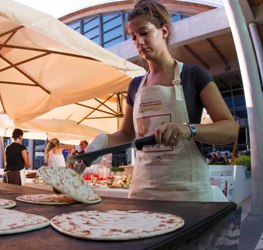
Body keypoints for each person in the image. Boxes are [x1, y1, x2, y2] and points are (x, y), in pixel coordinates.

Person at [86, 0, 238, 202]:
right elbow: (126, 134)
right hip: (142, 195)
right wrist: (103, 142)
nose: (139, 41)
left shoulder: (194, 76)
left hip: (188, 196)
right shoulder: (135, 85)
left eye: (144, 32)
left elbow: (230, 130)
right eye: (133, 37)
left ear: (164, 31)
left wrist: (189, 129)